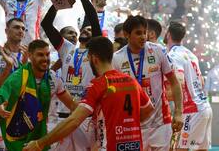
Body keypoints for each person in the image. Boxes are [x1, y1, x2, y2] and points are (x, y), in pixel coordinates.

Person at [23, 36, 154, 151]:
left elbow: (74, 121)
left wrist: (40, 143)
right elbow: (149, 109)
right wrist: (126, 124)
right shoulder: (132, 81)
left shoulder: (98, 84)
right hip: (135, 146)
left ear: (94, 59)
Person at [41, 0, 102, 150]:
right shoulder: (67, 49)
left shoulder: (96, 51)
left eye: (90, 30)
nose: (86, 31)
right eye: (83, 29)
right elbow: (46, 24)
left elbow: (94, 19)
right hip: (62, 117)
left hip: (84, 118)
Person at [112, 15, 183, 151]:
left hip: (161, 123)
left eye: (144, 32)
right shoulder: (117, 59)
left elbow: (174, 82)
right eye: (138, 33)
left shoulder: (158, 51)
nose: (143, 37)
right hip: (132, 125)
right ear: (127, 34)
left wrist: (179, 113)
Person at [0, 40, 76, 151]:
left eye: (47, 54)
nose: (45, 58)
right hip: (19, 141)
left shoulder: (53, 77)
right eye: (40, 55)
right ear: (30, 55)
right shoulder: (18, 77)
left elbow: (72, 105)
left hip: (44, 139)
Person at [165, 22, 212, 151]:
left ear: (168, 34)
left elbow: (179, 81)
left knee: (178, 149)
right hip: (205, 107)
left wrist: (165, 96)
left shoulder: (173, 55)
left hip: (191, 111)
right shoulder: (190, 54)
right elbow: (201, 81)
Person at [0, 18, 28, 150]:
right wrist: (8, 67)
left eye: (23, 28)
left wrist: (26, 66)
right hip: (1, 116)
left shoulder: (28, 57)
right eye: (16, 27)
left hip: (24, 117)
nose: (20, 30)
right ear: (6, 31)